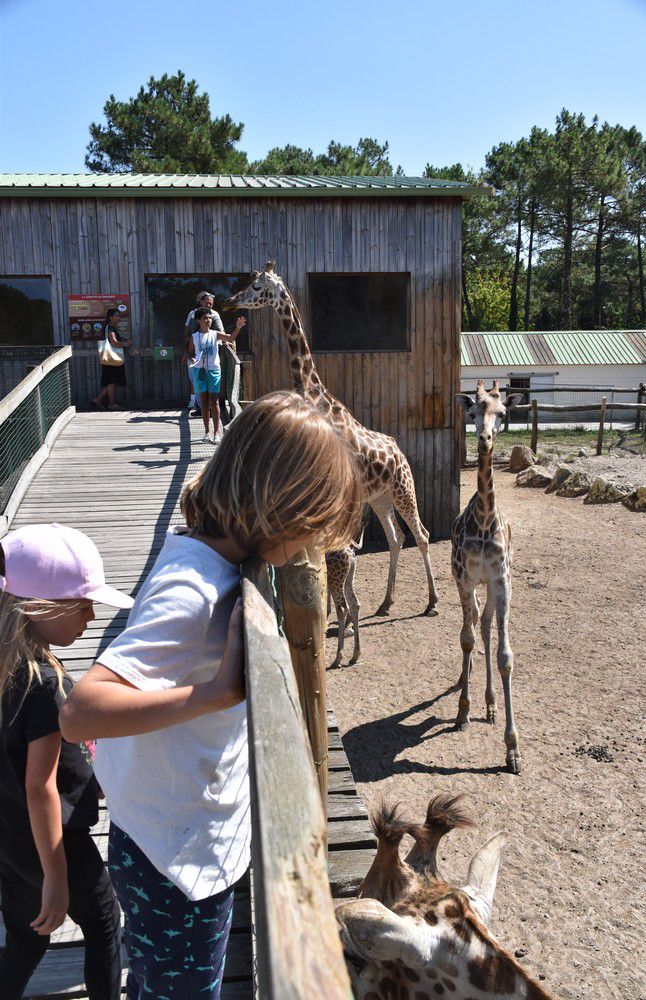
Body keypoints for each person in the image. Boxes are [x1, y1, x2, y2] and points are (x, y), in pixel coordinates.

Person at [59, 390, 362, 1000]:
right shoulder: (194, 589)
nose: (309, 544)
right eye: (310, 527)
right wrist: (214, 694)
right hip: (174, 866)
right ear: (281, 509)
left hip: (165, 842)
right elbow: (80, 711)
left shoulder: (202, 556)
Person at [0, 523, 133, 1000]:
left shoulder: (9, 669)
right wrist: (55, 877)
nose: (92, 615)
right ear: (41, 607)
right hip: (56, 842)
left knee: (25, 933)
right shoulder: (41, 685)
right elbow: (41, 788)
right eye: (82, 606)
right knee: (102, 923)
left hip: (10, 838)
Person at [183, 292, 245, 420]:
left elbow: (225, 335)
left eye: (211, 303)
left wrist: (234, 332)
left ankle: (213, 415)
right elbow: (187, 333)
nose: (209, 305)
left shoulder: (214, 315)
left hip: (211, 358)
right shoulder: (192, 315)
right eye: (207, 302)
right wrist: (188, 353)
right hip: (196, 356)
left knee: (213, 393)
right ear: (201, 302)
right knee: (195, 381)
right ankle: (200, 408)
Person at [187, 307, 229, 443]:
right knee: (204, 402)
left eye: (210, 317)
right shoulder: (194, 337)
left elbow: (231, 338)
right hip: (199, 371)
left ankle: (217, 432)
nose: (208, 320)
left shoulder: (215, 334)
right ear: (198, 320)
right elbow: (190, 352)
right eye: (205, 318)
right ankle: (207, 432)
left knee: (214, 401)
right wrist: (192, 358)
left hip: (213, 370)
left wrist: (239, 327)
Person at [91, 309, 132, 412]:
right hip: (112, 358)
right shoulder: (110, 328)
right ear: (110, 317)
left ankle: (97, 400)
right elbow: (113, 342)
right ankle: (111, 404)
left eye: (119, 316)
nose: (119, 318)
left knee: (112, 382)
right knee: (112, 382)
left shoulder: (111, 328)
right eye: (116, 316)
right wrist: (125, 344)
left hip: (110, 359)